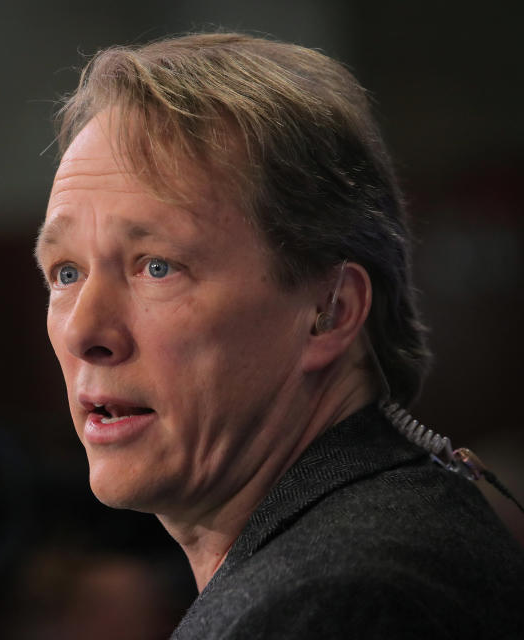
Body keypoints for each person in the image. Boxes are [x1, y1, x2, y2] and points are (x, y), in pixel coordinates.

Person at [34, 32, 524, 638]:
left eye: (156, 266)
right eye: (65, 273)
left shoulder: (336, 603)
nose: (84, 330)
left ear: (331, 310)